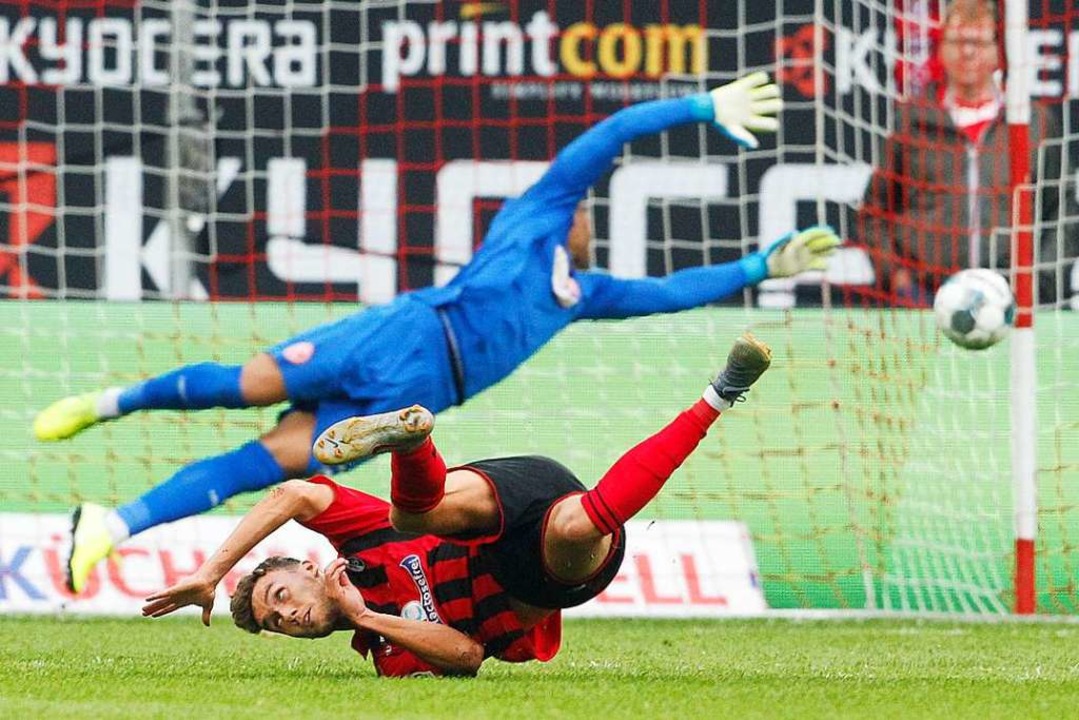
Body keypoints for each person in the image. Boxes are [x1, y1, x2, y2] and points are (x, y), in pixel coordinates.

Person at [38, 71, 840, 595]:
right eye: (588, 210)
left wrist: (758, 265)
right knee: (250, 385)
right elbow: (608, 137)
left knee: (276, 459)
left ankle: (110, 526)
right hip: (404, 335)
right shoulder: (534, 220)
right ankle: (107, 403)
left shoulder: (580, 294)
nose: (590, 216)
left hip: (419, 393)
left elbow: (669, 293)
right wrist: (699, 107)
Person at [141, 332, 773, 677]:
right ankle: (722, 393)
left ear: (306, 570)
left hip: (498, 498)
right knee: (582, 525)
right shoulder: (387, 654)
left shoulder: (351, 548)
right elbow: (467, 655)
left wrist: (211, 573)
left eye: (281, 599)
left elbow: (298, 492)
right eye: (278, 626)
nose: (289, 618)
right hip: (540, 570)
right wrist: (367, 618)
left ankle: (414, 439)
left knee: (408, 518)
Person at [855, 0, 1078, 305]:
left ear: (999, 51)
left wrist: (1040, 283)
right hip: (925, 301)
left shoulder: (1032, 122)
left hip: (1011, 300)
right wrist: (899, 281)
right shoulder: (914, 120)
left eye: (978, 42)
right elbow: (875, 211)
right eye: (958, 41)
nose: (967, 51)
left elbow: (1061, 211)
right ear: (941, 49)